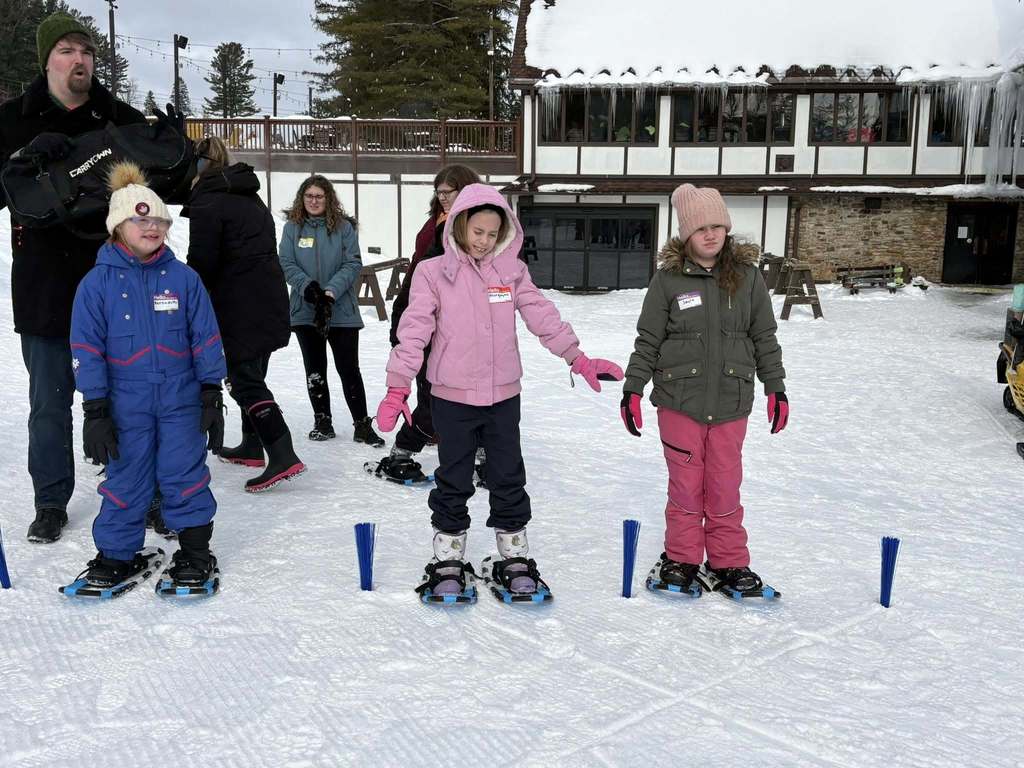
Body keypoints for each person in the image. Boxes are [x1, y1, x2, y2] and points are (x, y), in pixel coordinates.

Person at [376, 183, 623, 601]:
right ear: (458, 226)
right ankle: (448, 558)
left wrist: (576, 357)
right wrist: (398, 388)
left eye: (493, 233)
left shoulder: (510, 272)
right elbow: (414, 331)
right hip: (451, 397)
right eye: (477, 231)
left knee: (507, 476)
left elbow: (540, 314)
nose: (484, 240)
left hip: (503, 396)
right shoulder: (433, 272)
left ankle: (514, 557)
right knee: (453, 479)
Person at [0, 13, 147, 543]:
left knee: (128, 392)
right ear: (48, 60)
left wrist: (176, 148)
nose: (79, 59)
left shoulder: (117, 119)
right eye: (67, 50)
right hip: (43, 285)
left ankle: (135, 487)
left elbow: (159, 191)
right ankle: (50, 501)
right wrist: (24, 158)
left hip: (114, 283)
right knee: (50, 400)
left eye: (86, 50)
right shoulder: (13, 120)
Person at [621, 184, 788, 597]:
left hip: (732, 402)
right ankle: (681, 558)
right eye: (701, 229)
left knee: (725, 485)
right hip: (679, 402)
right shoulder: (668, 281)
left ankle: (729, 561)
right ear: (686, 235)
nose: (711, 235)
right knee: (685, 486)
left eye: (718, 226)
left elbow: (764, 336)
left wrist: (776, 388)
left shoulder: (748, 279)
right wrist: (632, 388)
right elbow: (648, 340)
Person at [68, 161, 225, 588]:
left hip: (180, 399)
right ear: (118, 226)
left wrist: (212, 393)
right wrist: (95, 408)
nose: (152, 227)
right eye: (141, 219)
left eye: (159, 220)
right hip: (125, 403)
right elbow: (86, 348)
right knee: (126, 478)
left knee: (183, 474)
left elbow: (206, 337)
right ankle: (117, 554)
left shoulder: (184, 279)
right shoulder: (95, 285)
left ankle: (194, 552)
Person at [184, 136, 305, 493]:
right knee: (253, 370)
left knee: (242, 379)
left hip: (238, 303)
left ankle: (282, 452)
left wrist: (184, 288)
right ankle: (252, 446)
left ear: (200, 165)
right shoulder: (247, 193)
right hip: (266, 298)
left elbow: (203, 261)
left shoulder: (209, 199)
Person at [369, 164, 481, 484]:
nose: (443, 198)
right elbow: (422, 270)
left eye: (450, 192)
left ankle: (478, 453)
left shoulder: (474, 227)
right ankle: (405, 449)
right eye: (440, 192)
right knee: (434, 395)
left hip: (455, 323)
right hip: (420, 315)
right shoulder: (437, 222)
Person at [279, 175, 383, 448]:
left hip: (341, 310)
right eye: (309, 196)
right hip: (306, 309)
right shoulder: (293, 228)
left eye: (319, 196)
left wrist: (329, 292)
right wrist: (309, 289)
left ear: (329, 199)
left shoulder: (344, 228)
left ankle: (362, 424)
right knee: (315, 369)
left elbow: (352, 263)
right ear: (302, 198)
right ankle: (322, 420)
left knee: (349, 368)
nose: (314, 201)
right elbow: (286, 263)